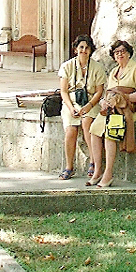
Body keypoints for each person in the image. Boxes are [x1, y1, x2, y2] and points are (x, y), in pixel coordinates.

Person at [88, 39, 136, 188]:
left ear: (129, 53)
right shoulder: (114, 71)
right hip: (112, 109)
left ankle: (108, 174)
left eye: (123, 51)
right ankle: (98, 170)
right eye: (116, 52)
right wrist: (104, 101)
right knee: (94, 129)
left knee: (111, 131)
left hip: (131, 108)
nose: (120, 54)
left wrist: (122, 98)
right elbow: (109, 92)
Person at [58, 34, 106, 180]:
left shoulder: (97, 67)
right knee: (71, 130)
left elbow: (99, 91)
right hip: (71, 102)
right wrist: (71, 108)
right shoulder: (67, 66)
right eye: (81, 47)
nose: (84, 50)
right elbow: (64, 91)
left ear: (91, 50)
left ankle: (93, 161)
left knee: (87, 124)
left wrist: (89, 106)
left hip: (91, 102)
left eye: (87, 48)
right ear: (76, 49)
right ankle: (69, 167)